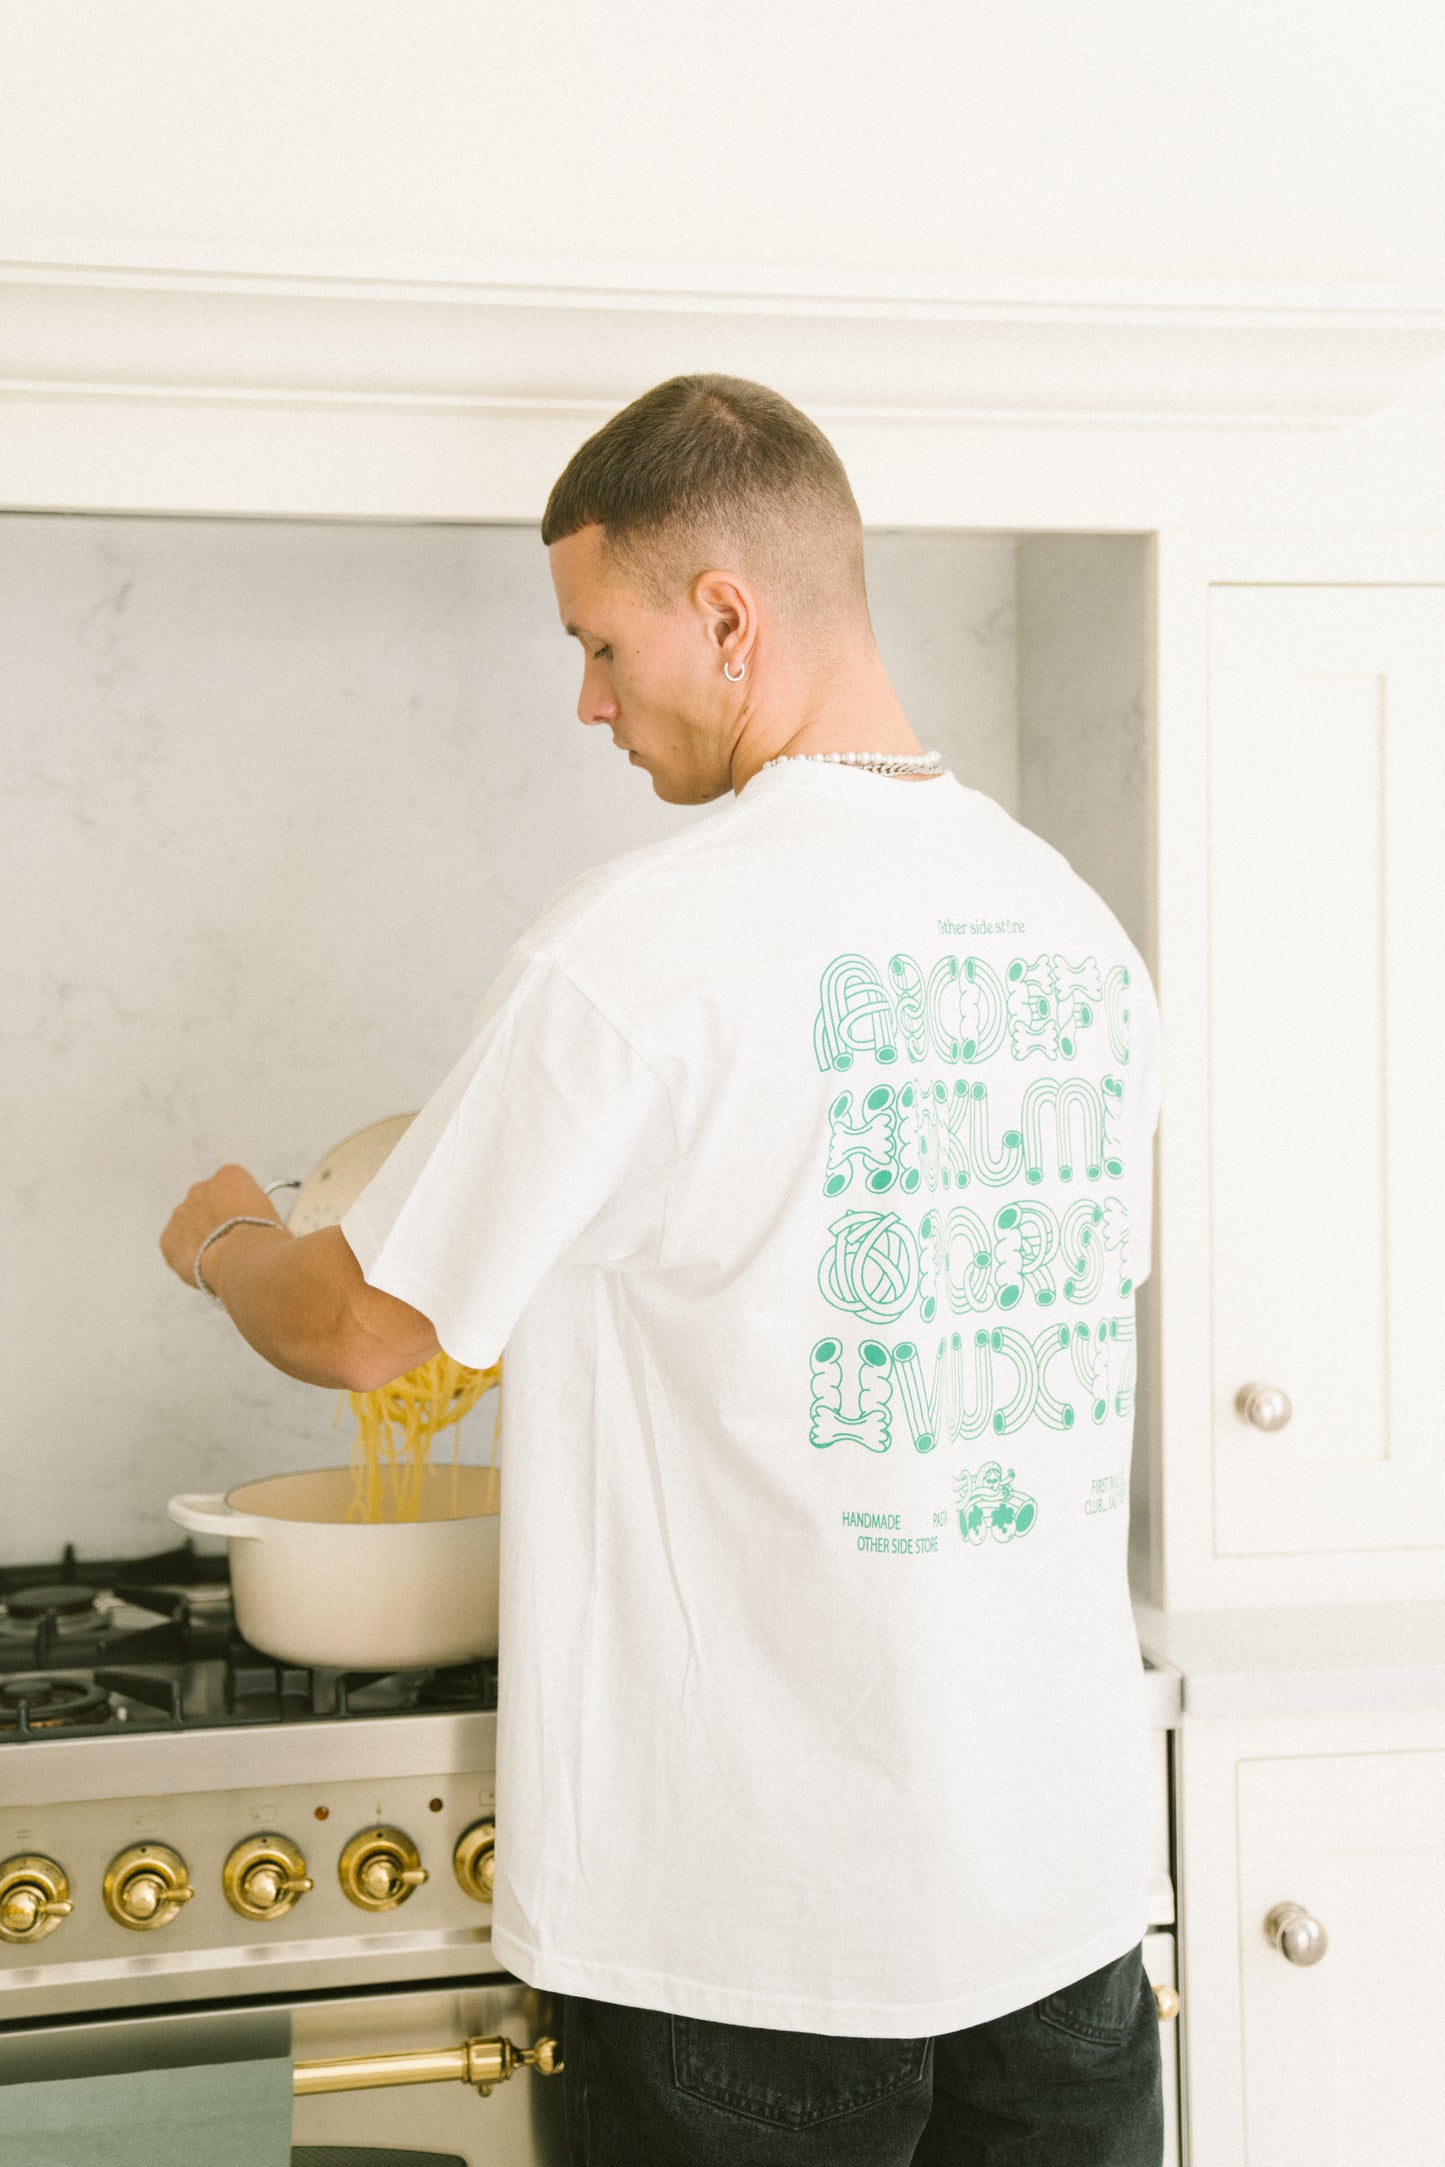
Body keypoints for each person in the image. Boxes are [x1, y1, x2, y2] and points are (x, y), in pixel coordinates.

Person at [161, 374, 1164, 2166]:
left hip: (745, 1943)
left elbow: (362, 1329)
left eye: (599, 644)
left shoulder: (639, 949)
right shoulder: (1071, 930)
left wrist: (227, 1236)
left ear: (723, 615)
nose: (588, 700)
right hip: (1065, 1914)